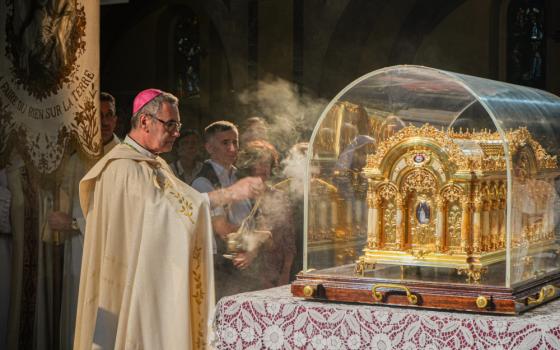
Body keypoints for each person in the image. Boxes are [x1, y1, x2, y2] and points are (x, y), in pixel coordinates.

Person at [73, 89, 263, 349]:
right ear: (144, 122)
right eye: (171, 124)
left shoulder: (155, 165)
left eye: (178, 125)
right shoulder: (123, 169)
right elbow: (167, 218)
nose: (176, 132)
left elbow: (182, 205)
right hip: (129, 285)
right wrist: (230, 193)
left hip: (150, 283)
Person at [46, 91, 120, 350]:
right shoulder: (74, 161)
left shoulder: (124, 160)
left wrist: (76, 223)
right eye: (98, 116)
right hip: (76, 254)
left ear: (117, 119)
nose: (105, 121)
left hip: (112, 255)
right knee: (78, 317)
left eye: (109, 114)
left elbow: (122, 214)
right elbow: (57, 215)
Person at [192, 121, 255, 300]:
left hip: (248, 266)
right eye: (225, 143)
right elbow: (222, 229)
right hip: (221, 270)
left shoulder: (239, 175)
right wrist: (260, 236)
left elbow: (253, 216)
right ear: (209, 148)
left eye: (235, 142)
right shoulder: (203, 182)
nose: (232, 148)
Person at [237, 140, 295, 288]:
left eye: (267, 163)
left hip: (273, 273)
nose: (264, 168)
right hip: (244, 273)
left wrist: (285, 274)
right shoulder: (237, 194)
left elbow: (289, 241)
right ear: (249, 165)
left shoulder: (280, 197)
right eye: (259, 163)